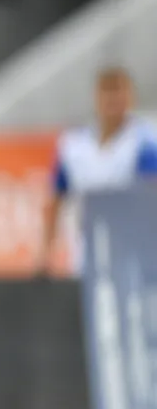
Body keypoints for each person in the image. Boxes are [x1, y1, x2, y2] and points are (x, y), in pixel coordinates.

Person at [41, 67, 157, 273]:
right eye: (106, 91)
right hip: (86, 257)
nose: (112, 99)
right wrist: (45, 252)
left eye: (118, 90)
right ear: (96, 97)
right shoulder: (73, 147)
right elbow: (56, 199)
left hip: (134, 257)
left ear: (130, 96)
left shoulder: (145, 142)